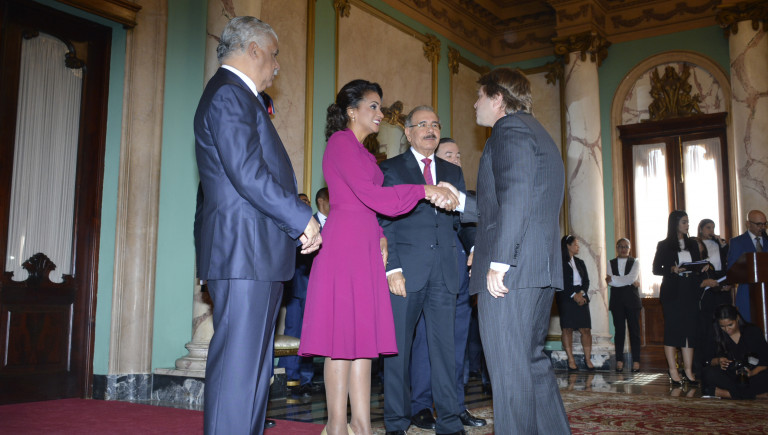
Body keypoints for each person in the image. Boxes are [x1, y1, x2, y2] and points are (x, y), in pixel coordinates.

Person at [298, 80, 457, 435]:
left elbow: (370, 207)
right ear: (351, 111)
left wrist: (381, 235)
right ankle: (336, 426)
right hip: (344, 248)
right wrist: (423, 190)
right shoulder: (340, 143)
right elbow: (373, 196)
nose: (380, 114)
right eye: (373, 106)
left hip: (366, 245)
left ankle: (362, 426)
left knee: (363, 343)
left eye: (380, 107)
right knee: (341, 342)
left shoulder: (365, 154)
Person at [193, 16, 322, 434]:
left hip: (254, 252)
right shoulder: (230, 95)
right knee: (239, 370)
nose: (277, 65)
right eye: (274, 54)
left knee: (252, 371)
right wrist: (301, 218)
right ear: (253, 49)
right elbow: (247, 173)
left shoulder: (236, 96)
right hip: (244, 252)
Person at [462, 67, 571, 434]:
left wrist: (499, 261)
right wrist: (459, 200)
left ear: (497, 98)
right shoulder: (537, 131)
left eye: (479, 96)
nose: (475, 104)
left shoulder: (509, 129)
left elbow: (517, 197)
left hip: (512, 271)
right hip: (536, 269)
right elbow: (510, 201)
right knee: (531, 364)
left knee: (509, 371)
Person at [379, 108, 467, 435]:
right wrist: (392, 267)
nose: (430, 130)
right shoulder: (390, 168)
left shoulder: (452, 171)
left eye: (435, 124)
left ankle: (449, 423)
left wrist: (474, 247)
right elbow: (383, 222)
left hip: (445, 272)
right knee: (398, 352)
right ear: (408, 131)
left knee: (445, 352)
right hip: (405, 272)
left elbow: (460, 221)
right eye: (423, 124)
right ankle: (395, 422)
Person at [408, 138, 486, 430]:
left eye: (459, 155)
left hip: (460, 273)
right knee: (425, 343)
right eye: (449, 155)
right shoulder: (423, 192)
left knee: (457, 343)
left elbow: (469, 227)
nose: (456, 160)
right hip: (429, 274)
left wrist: (475, 250)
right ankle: (421, 405)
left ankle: (453, 407)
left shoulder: (465, 195)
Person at [278, 188, 330, 398]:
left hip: (321, 289)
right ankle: (289, 378)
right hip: (298, 286)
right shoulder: (298, 222)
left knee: (312, 335)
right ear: (322, 201)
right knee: (293, 331)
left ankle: (307, 381)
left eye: (307, 201)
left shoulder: (335, 222)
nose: (305, 205)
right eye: (302, 201)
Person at [652, 210, 705, 386]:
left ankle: (688, 371)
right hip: (673, 292)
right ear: (675, 223)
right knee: (673, 331)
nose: (687, 225)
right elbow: (656, 269)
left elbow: (696, 265)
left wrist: (702, 267)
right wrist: (672, 269)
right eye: (684, 222)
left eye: (688, 222)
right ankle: (673, 370)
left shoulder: (692, 244)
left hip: (690, 291)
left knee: (689, 331)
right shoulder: (664, 245)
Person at [701, 304, 768, 399]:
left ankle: (726, 394)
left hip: (753, 375)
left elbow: (765, 361)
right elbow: (707, 360)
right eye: (722, 326)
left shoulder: (752, 332)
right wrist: (718, 361)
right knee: (708, 373)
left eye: (730, 325)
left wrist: (751, 373)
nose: (727, 329)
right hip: (730, 376)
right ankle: (756, 395)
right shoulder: (716, 334)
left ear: (737, 318)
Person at [695, 218, 732, 371]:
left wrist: (723, 245)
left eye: (713, 227)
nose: (711, 230)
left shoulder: (718, 244)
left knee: (723, 319)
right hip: (707, 284)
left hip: (720, 280)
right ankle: (707, 360)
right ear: (701, 229)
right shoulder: (697, 245)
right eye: (708, 227)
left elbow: (727, 262)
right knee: (708, 324)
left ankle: (724, 356)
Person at [556, 235, 594, 371]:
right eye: (576, 244)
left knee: (586, 329)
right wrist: (574, 295)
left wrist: (581, 294)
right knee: (567, 329)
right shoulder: (559, 262)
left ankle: (588, 359)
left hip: (581, 297)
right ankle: (571, 360)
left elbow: (586, 281)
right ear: (568, 245)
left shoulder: (580, 262)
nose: (578, 247)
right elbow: (561, 281)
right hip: (566, 298)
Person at [605, 238, 642, 372]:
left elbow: (631, 278)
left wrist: (616, 279)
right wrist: (628, 281)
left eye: (626, 246)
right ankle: (619, 360)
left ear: (630, 248)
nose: (623, 249)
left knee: (634, 332)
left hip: (632, 301)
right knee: (619, 332)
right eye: (620, 246)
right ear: (617, 248)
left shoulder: (635, 262)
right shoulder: (610, 262)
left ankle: (636, 361)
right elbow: (609, 282)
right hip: (617, 302)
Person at [726, 210, 767, 322]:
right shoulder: (737, 242)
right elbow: (732, 269)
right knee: (749, 327)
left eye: (765, 224)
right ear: (748, 224)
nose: (762, 227)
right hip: (747, 293)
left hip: (766, 291)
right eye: (759, 224)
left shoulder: (767, 241)